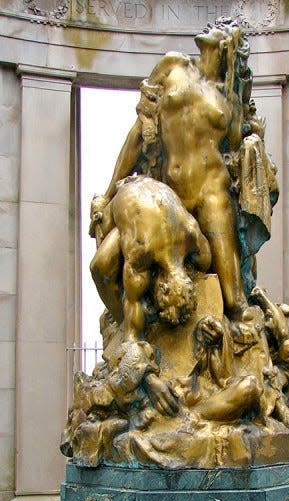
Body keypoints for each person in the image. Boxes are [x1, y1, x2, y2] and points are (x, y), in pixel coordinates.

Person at [89, 17, 272, 326]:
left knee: (234, 302)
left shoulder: (229, 97)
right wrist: (109, 194)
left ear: (228, 45)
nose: (211, 26)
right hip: (164, 196)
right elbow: (140, 132)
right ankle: (135, 340)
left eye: (221, 27)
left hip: (212, 195)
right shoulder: (172, 66)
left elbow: (241, 147)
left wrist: (255, 142)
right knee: (103, 267)